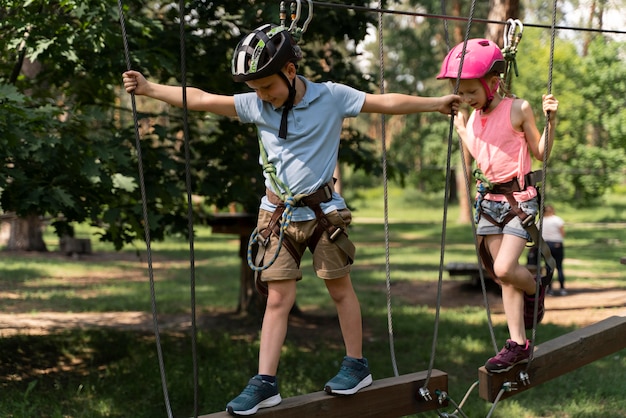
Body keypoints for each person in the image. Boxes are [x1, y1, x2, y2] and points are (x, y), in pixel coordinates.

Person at [123, 23, 460, 416]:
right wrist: (150, 89)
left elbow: (384, 102)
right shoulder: (255, 105)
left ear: (289, 72)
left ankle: (356, 365)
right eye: (256, 89)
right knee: (277, 299)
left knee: (338, 289)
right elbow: (200, 98)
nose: (262, 95)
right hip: (278, 217)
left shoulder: (331, 97)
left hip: (323, 214)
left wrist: (434, 103)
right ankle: (264, 383)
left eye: (267, 86)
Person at [437, 38, 559, 373]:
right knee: (502, 277)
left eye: (470, 91)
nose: (465, 99)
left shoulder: (518, 108)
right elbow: (483, 157)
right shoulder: (473, 117)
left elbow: (541, 153)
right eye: (460, 93)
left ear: (493, 83)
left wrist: (551, 121)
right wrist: (463, 131)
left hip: (519, 201)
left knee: (506, 268)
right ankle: (518, 344)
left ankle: (536, 288)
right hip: (489, 202)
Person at [542, 204, 566, 295]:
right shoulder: (557, 220)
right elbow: (562, 233)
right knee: (559, 266)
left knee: (548, 267)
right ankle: (562, 288)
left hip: (546, 244)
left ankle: (550, 289)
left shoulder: (541, 220)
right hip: (557, 244)